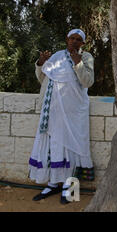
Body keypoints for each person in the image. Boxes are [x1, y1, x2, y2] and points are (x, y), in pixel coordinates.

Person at [29, 29, 95, 204]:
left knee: (71, 146)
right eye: (72, 38)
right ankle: (52, 183)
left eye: (78, 40)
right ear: (67, 39)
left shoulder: (86, 57)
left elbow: (88, 82)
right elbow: (43, 78)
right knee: (54, 145)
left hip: (73, 112)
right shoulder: (57, 56)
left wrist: (77, 63)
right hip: (52, 111)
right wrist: (40, 63)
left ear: (83, 43)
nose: (74, 41)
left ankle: (70, 186)